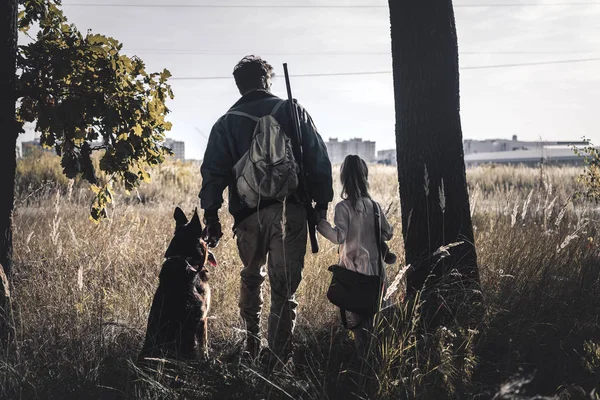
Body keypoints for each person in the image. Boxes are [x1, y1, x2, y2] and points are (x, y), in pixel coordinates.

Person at [199, 55, 333, 368]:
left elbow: (212, 174)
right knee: (283, 289)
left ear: (239, 85)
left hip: (247, 216)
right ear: (266, 80)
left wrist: (212, 217)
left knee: (251, 277)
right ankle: (276, 361)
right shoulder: (291, 110)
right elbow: (318, 158)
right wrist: (321, 205)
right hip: (291, 212)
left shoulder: (225, 123)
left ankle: (251, 344)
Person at [315, 155, 395, 358]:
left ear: (343, 179)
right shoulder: (375, 206)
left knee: (358, 322)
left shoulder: (343, 208)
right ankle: (377, 361)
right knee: (375, 319)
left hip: (353, 274)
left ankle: (363, 363)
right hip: (376, 274)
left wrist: (320, 223)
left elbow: (338, 237)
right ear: (365, 176)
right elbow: (388, 233)